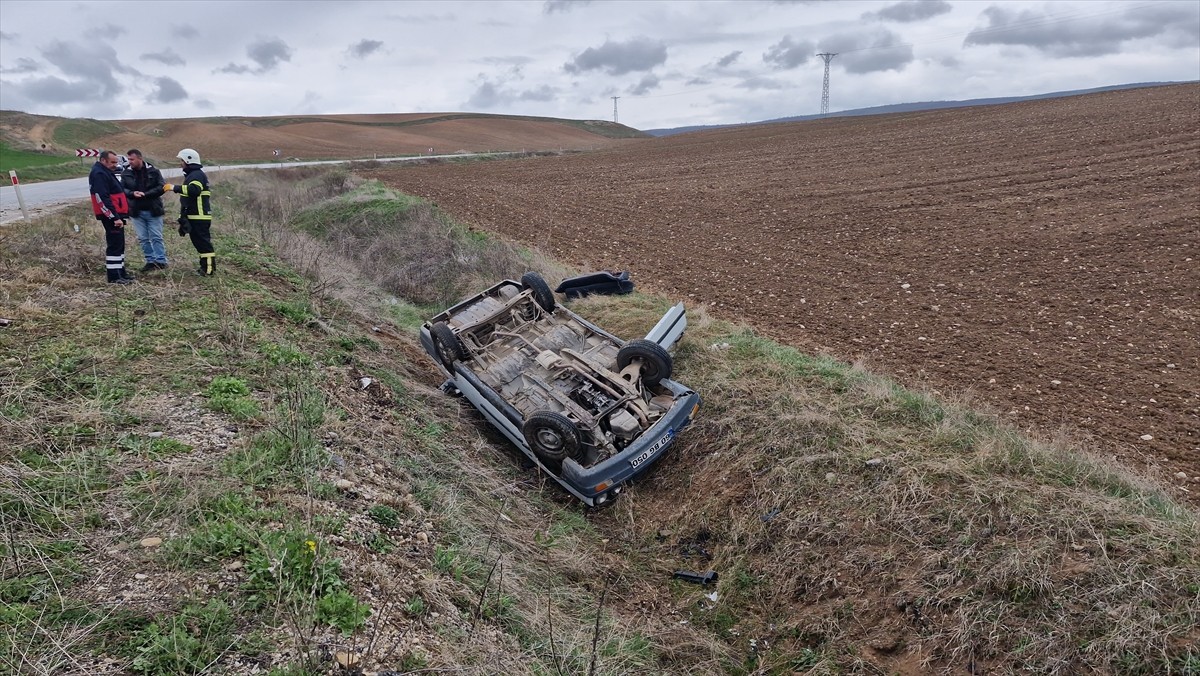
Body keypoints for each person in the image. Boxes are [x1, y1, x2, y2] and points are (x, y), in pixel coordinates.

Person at [163, 148, 215, 275]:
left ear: (188, 160)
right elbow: (188, 199)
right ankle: (205, 267)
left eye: (182, 160)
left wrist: (174, 187)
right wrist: (183, 218)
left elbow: (194, 190)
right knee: (200, 243)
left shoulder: (196, 175)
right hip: (195, 215)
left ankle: (208, 270)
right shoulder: (194, 174)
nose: (180, 163)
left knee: (203, 244)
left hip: (199, 216)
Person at [88, 150, 134, 284]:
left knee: (119, 244)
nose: (116, 165)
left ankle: (121, 272)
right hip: (111, 216)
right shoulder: (99, 174)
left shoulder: (105, 171)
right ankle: (114, 276)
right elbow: (102, 198)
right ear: (103, 160)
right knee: (114, 245)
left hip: (117, 214)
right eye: (113, 162)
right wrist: (114, 217)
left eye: (117, 162)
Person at [121, 149, 168, 271]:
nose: (129, 162)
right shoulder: (126, 173)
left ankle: (161, 261)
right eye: (128, 159)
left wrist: (146, 194)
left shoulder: (154, 171)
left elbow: (162, 187)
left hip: (153, 209)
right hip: (136, 211)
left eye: (132, 159)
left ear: (140, 158)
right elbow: (122, 189)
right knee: (143, 238)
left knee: (156, 236)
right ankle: (150, 261)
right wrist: (132, 193)